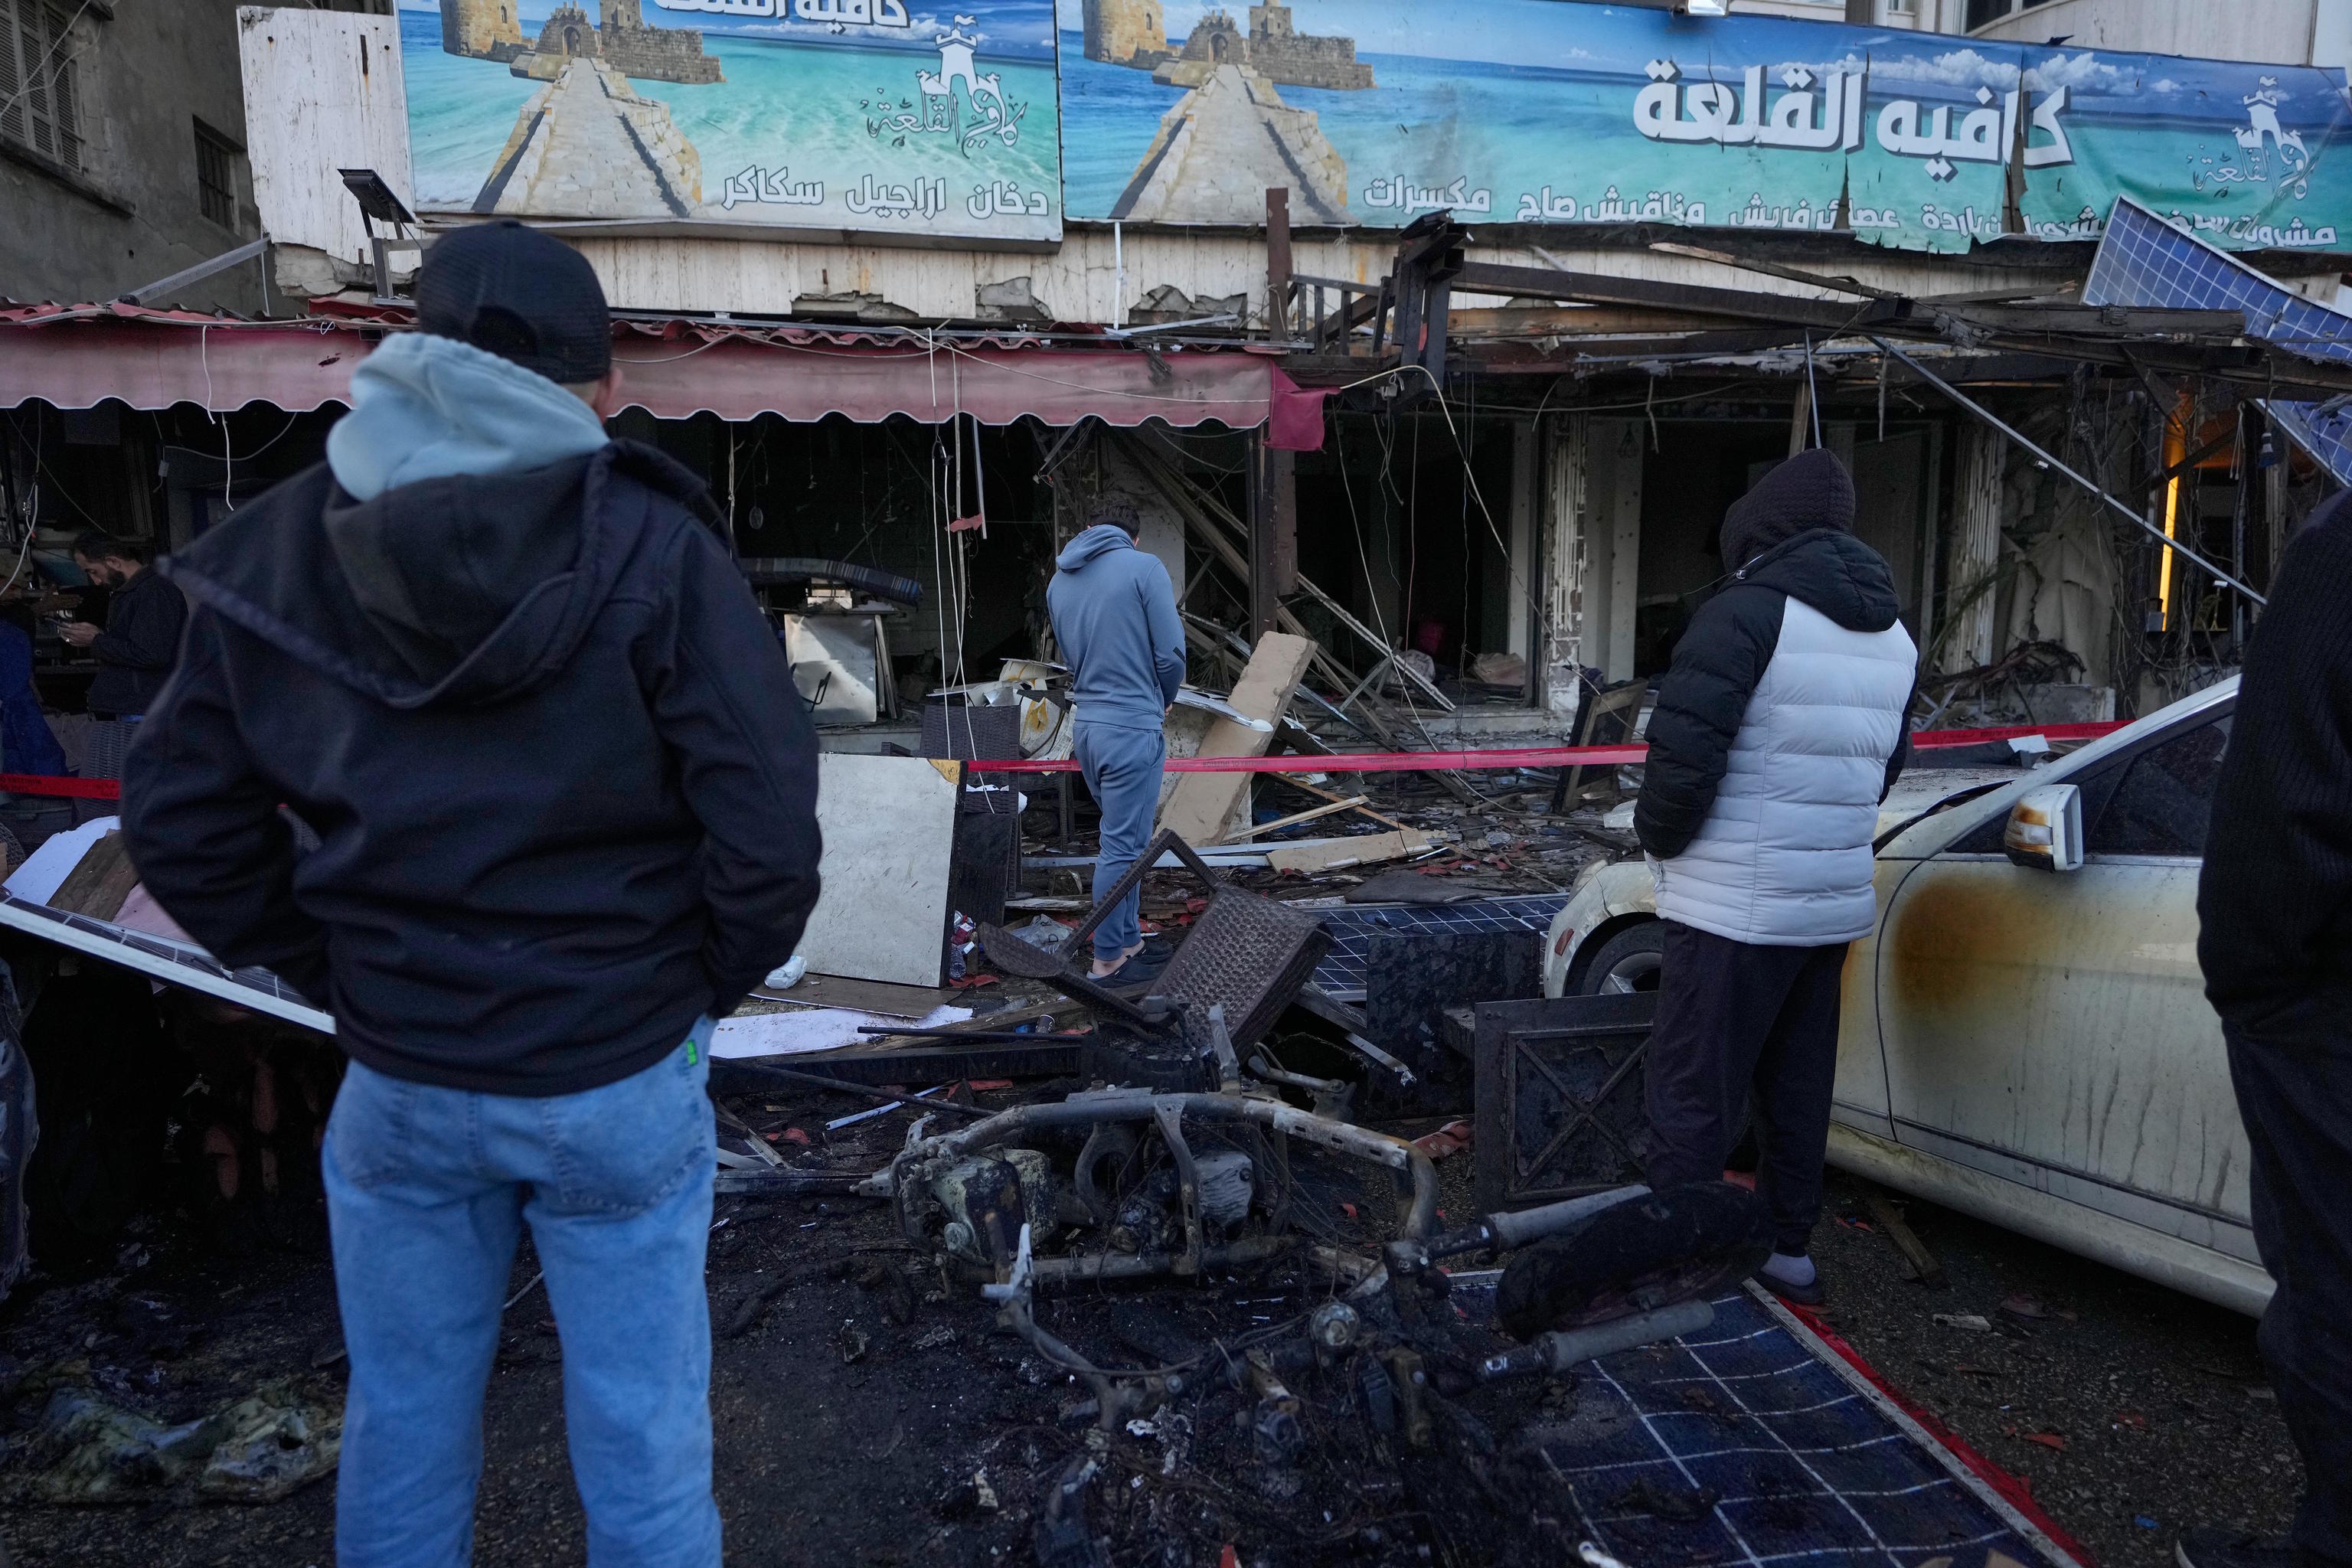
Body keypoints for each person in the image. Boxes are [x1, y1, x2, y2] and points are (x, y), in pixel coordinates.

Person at [121, 220, 822, 1568]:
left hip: (402, 1066)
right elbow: (766, 834)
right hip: (612, 1061)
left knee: (404, 1415)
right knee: (644, 1432)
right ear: (595, 384)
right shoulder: (654, 545)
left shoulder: (273, 544)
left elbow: (177, 821)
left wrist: (333, 972)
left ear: (417, 352)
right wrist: (687, 990)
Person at [1632, 447, 1916, 1308]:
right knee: (1797, 1087)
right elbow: (1885, 768)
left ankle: (1677, 1261)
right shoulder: (1895, 633)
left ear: (1757, 526)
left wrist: (1661, 844)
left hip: (1732, 906)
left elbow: (1682, 764)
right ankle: (1789, 1248)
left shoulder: (1745, 614)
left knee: (1692, 1091)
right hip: (1827, 906)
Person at [2190, 488, 2352, 1568]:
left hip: (2329, 1019)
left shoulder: (2341, 556)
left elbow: (2279, 807)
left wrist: (2252, 985)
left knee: (2336, 1301)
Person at [1047, 496, 1185, 989]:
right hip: (1132, 726)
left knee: (1125, 844)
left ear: (1089, 528)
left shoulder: (1060, 580)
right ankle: (1106, 960)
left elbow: (1072, 654)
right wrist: (1164, 696)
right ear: (1135, 537)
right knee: (1121, 847)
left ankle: (1127, 941)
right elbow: (1170, 653)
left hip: (1088, 729)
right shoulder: (1144, 567)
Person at [62, 532, 185, 720]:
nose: (95, 581)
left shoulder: (154, 592)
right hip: (138, 705)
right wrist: (99, 638)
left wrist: (96, 640)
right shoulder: (132, 592)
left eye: (93, 571)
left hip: (147, 708)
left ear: (113, 561)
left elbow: (151, 654)